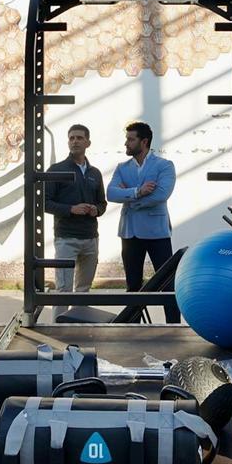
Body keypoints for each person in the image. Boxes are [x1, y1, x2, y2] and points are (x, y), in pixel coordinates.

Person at [106, 121, 180, 323]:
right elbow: (111, 193)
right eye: (126, 139)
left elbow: (161, 194)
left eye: (131, 139)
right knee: (133, 285)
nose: (126, 144)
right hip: (130, 233)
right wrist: (138, 191)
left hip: (157, 233)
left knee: (167, 284)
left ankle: (173, 326)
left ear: (144, 141)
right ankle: (133, 326)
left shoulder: (164, 166)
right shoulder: (122, 168)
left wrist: (131, 200)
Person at [44, 124, 107, 319]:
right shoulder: (56, 170)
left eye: (79, 138)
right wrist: (71, 209)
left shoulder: (95, 173)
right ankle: (58, 332)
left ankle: (79, 327)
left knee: (83, 290)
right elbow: (44, 203)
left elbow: (102, 203)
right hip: (66, 239)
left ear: (88, 142)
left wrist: (96, 210)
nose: (75, 141)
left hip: (90, 239)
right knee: (63, 290)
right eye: (71, 138)